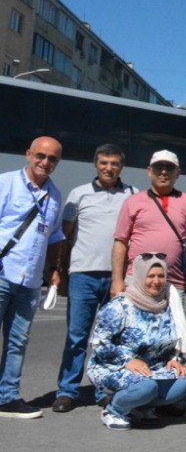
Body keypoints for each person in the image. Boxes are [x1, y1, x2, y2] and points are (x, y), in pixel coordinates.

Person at [53, 143, 135, 414]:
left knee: (109, 339)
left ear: (121, 166)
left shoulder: (132, 195)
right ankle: (67, 390)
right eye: (103, 163)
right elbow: (64, 237)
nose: (108, 168)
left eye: (114, 163)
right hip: (82, 276)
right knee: (76, 337)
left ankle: (104, 389)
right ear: (95, 164)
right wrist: (59, 271)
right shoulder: (79, 194)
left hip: (117, 278)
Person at [87, 254, 186, 431]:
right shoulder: (121, 306)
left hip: (151, 368)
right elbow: (98, 343)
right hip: (114, 366)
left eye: (161, 276)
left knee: (182, 383)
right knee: (147, 386)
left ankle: (142, 407)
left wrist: (175, 360)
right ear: (139, 276)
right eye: (150, 276)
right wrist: (127, 360)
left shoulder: (167, 304)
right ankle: (114, 410)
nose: (156, 281)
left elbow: (176, 339)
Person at [0, 136, 64, 419]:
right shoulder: (6, 183)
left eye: (52, 159)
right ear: (28, 154)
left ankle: (7, 398)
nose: (45, 162)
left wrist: (54, 270)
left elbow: (54, 237)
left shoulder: (55, 195)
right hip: (3, 272)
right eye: (40, 156)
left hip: (29, 282)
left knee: (17, 342)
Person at [111, 150, 186, 296]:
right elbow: (120, 242)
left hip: (174, 283)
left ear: (178, 173)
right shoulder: (133, 201)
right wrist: (117, 280)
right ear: (149, 171)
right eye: (158, 167)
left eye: (169, 168)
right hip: (136, 280)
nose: (163, 172)